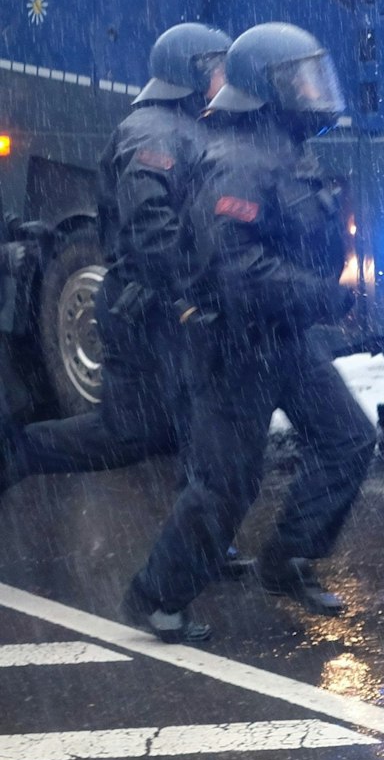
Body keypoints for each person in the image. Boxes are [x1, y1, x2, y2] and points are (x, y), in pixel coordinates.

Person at [121, 24, 377, 643]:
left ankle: (286, 559)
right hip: (234, 345)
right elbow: (235, 271)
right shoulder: (236, 161)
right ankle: (156, 596)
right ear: (268, 89)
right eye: (301, 81)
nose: (315, 93)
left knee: (348, 439)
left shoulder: (284, 149)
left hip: (283, 338)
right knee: (227, 481)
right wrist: (324, 295)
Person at [5, 25, 229, 486]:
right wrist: (197, 287)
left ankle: (202, 522)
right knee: (127, 434)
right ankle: (16, 451)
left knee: (190, 423)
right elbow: (151, 231)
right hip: (147, 306)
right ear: (186, 75)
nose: (225, 81)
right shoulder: (155, 134)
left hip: (157, 302)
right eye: (217, 70)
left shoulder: (188, 126)